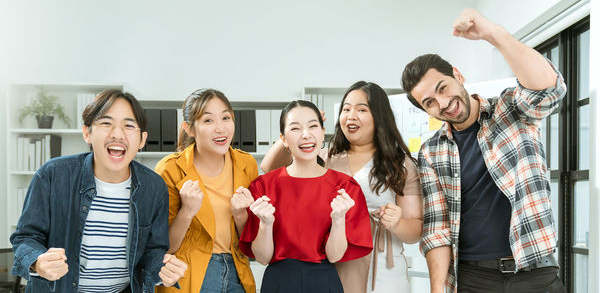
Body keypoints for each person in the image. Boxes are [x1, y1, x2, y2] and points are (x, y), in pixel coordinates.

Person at [400, 8, 567, 293]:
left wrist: (493, 34)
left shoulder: (511, 110)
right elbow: (437, 229)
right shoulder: (431, 153)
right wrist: (438, 288)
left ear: (457, 75)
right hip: (473, 279)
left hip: (535, 272)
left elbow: (549, 91)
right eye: (429, 102)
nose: (442, 103)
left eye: (442, 88)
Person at [10, 89, 187, 293]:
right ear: (87, 133)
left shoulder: (154, 186)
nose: (117, 134)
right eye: (106, 123)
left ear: (142, 139)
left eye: (129, 126)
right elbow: (25, 237)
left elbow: (153, 250)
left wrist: (163, 268)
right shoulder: (52, 174)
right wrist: (38, 262)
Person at [261, 82, 423, 293]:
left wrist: (397, 223)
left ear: (380, 116)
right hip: (333, 266)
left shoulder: (401, 165)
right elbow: (270, 167)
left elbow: (416, 230)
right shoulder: (325, 157)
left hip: (383, 271)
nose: (351, 116)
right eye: (346, 109)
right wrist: (303, 124)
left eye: (361, 109)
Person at [239, 100, 373, 293]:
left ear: (322, 132)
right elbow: (263, 258)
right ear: (283, 139)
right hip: (278, 282)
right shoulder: (263, 186)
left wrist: (338, 220)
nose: (306, 135)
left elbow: (334, 256)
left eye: (313, 126)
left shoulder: (345, 187)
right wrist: (266, 224)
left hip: (324, 281)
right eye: (295, 128)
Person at [154, 88, 258, 293]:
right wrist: (186, 212)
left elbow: (252, 243)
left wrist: (241, 216)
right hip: (189, 275)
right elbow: (164, 247)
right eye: (208, 121)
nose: (221, 128)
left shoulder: (246, 164)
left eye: (226, 118)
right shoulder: (170, 169)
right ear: (189, 129)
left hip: (238, 272)